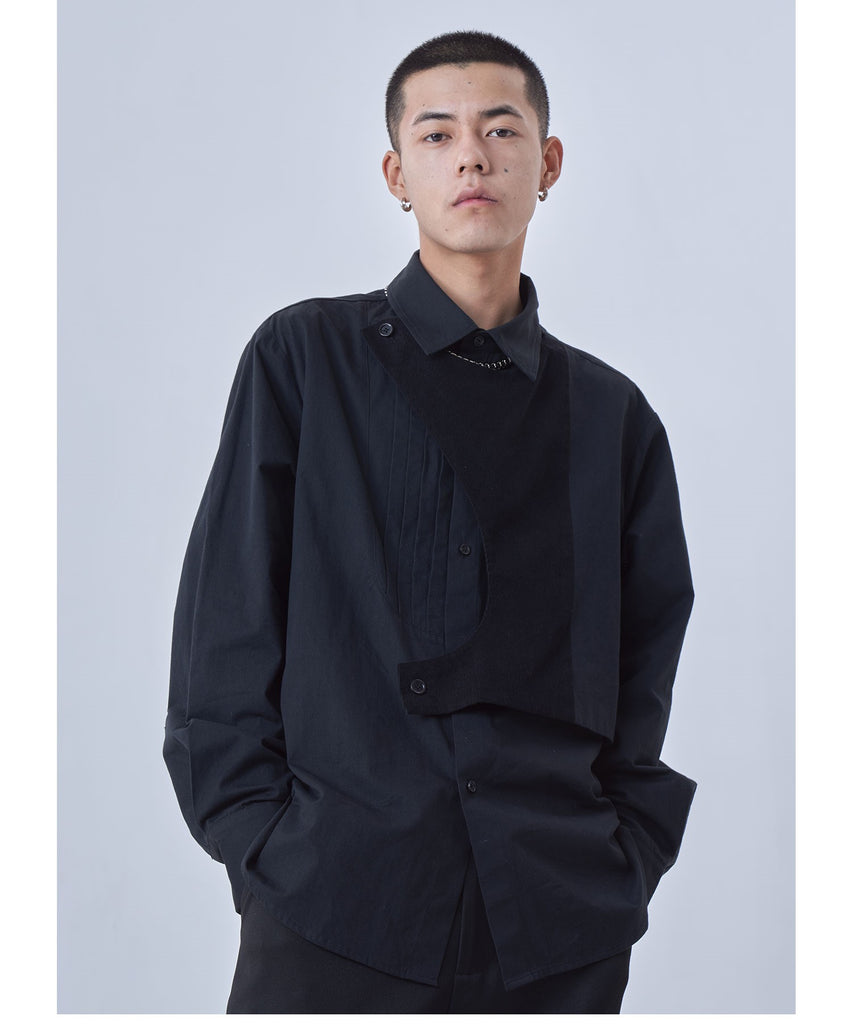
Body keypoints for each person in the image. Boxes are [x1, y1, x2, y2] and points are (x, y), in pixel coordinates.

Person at [163, 29, 697, 1014]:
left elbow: (645, 658)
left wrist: (622, 854)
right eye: (438, 134)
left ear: (549, 164)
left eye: (502, 130)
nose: (472, 158)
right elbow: (225, 626)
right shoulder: (304, 360)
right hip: (333, 907)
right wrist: (268, 849)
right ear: (396, 173)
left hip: (554, 922)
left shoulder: (613, 418)